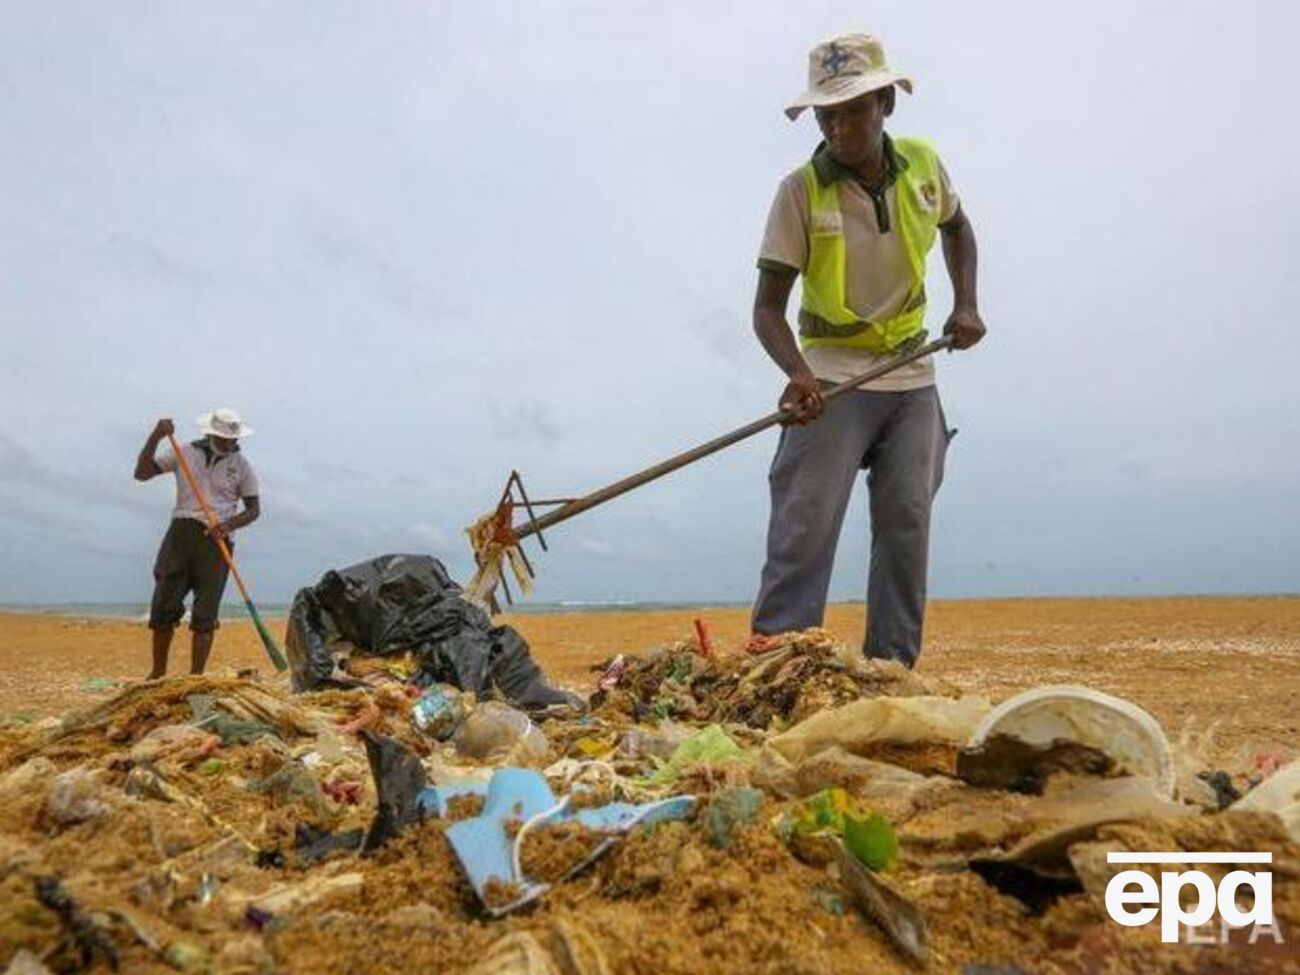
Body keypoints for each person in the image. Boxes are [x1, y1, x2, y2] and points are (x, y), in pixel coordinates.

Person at [750, 34, 985, 668]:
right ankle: (779, 666)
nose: (839, 127)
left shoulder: (925, 166)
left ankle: (890, 670)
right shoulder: (799, 191)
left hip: (911, 372)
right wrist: (798, 374)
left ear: (886, 102)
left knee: (906, 521)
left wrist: (965, 303)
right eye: (827, 115)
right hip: (828, 378)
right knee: (807, 526)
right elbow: (766, 309)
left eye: (853, 109)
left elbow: (958, 230)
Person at [134, 409, 261, 677]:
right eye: (225, 438)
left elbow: (253, 509)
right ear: (211, 433)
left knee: (206, 612)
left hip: (218, 542)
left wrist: (227, 525)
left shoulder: (242, 465)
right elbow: (142, 473)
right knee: (164, 605)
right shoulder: (185, 452)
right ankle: (157, 672)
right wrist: (156, 436)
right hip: (181, 533)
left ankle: (196, 676)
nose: (231, 443)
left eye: (234, 438)